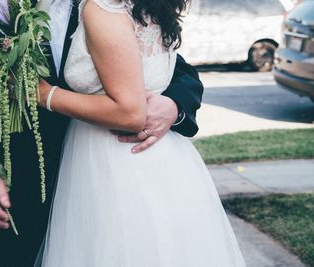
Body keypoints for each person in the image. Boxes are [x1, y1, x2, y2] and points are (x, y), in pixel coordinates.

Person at [0, 0, 204, 266]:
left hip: (110, 175)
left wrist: (174, 105)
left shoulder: (110, 3)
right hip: (22, 188)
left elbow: (172, 65)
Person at [35, 0, 246, 266]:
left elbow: (131, 112)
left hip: (115, 160)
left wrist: (44, 94)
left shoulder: (104, 7)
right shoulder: (147, 5)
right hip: (159, 160)